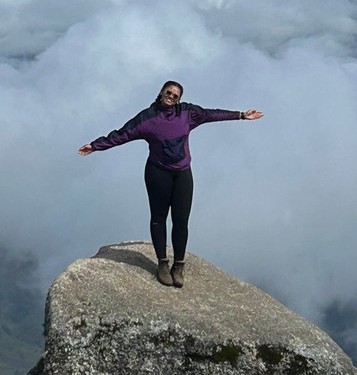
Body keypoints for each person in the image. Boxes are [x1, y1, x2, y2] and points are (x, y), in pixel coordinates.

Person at [78, 80, 263, 288]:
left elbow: (212, 114)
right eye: (169, 92)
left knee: (181, 221)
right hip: (157, 173)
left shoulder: (187, 113)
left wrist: (241, 115)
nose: (171, 97)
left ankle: (179, 265)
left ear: (179, 99)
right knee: (158, 219)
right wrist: (95, 145)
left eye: (176, 96)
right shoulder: (147, 118)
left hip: (182, 174)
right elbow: (122, 134)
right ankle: (163, 264)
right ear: (161, 92)